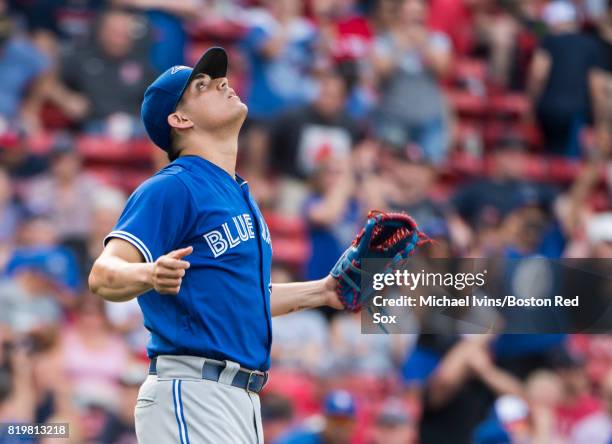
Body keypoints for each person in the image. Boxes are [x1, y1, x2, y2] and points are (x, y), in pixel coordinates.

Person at [88, 47, 344, 444]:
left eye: (219, 78)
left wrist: (324, 291)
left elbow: (241, 300)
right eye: (202, 85)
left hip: (237, 398)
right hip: (192, 391)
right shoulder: (173, 186)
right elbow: (103, 274)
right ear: (180, 118)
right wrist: (148, 273)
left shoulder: (238, 192)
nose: (223, 82)